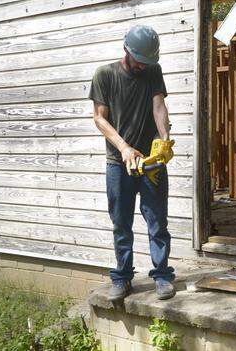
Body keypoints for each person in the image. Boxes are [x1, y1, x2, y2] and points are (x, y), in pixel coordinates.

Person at [89, 25, 176, 301]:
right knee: (121, 223)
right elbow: (99, 118)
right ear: (126, 50)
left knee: (157, 221)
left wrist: (165, 137)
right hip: (119, 163)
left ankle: (162, 276)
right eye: (140, 60)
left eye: (148, 61)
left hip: (150, 163)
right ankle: (123, 278)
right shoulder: (105, 75)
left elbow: (159, 106)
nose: (143, 66)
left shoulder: (153, 70)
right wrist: (124, 148)